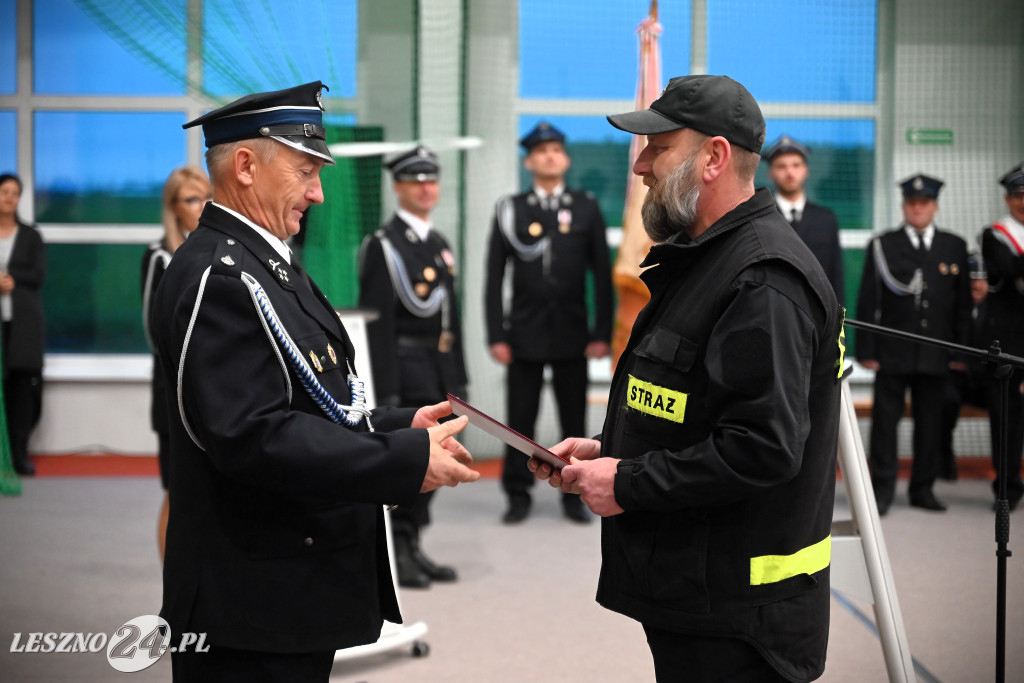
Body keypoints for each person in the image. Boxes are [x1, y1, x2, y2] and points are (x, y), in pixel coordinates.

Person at [151, 82, 479, 682]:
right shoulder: (221, 275)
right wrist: (401, 458)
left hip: (288, 588)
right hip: (252, 600)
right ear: (246, 166)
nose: (318, 193)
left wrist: (398, 423)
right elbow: (253, 436)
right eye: (305, 171)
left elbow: (312, 398)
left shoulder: (266, 259)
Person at [531, 75, 845, 682]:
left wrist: (629, 480)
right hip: (696, 592)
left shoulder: (763, 280)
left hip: (739, 617)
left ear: (715, 157)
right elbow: (694, 409)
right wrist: (611, 453)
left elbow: (762, 448)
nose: (642, 165)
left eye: (659, 147)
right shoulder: (704, 258)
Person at [484, 121, 613, 524]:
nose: (549, 156)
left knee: (574, 417)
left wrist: (601, 333)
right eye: (540, 151)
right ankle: (517, 494)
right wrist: (496, 334)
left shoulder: (586, 206)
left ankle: (574, 494)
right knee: (520, 418)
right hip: (523, 332)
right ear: (529, 162)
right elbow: (493, 276)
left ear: (566, 159)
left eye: (556, 150)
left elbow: (601, 276)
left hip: (573, 333)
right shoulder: (511, 209)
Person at [358, 146, 467, 588]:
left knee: (435, 460)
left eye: (431, 179)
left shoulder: (438, 244)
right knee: (408, 463)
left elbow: (450, 317)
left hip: (437, 367)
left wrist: (457, 377)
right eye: (415, 180)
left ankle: (415, 543)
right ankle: (397, 548)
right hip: (404, 370)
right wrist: (385, 392)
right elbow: (377, 323)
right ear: (398, 187)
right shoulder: (383, 246)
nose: (426, 187)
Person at [855, 174, 971, 515]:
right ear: (904, 206)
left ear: (934, 207)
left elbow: (962, 305)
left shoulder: (955, 246)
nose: (918, 209)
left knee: (930, 424)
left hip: (936, 355)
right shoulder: (883, 244)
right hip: (892, 353)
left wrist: (960, 352)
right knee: (884, 426)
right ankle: (882, 491)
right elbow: (867, 301)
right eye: (911, 203)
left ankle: (923, 489)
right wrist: (867, 350)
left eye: (924, 204)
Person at [142, 165, 212, 561]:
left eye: (205, 197)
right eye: (191, 199)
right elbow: (154, 332)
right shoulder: (159, 258)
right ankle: (173, 580)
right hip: (174, 391)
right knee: (176, 489)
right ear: (174, 207)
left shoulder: (215, 252)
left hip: (212, 394)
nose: (200, 206)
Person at [980, 161, 1024, 511]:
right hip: (1009, 344)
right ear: (1007, 200)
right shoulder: (994, 234)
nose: (1022, 202)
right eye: (1017, 196)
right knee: (1006, 420)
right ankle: (1007, 487)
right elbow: (1005, 270)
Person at [0, 173, 46, 477]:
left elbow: (39, 276)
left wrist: (13, 281)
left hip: (21, 327)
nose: (9, 198)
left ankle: (18, 452)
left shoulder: (30, 235)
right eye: (4, 192)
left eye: (15, 193)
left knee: (20, 390)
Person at [763, 134, 845, 304]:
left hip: (817, 315)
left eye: (796, 165)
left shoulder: (825, 219)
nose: (790, 172)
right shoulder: (761, 218)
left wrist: (838, 326)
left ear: (805, 171)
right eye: (781, 166)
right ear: (771, 173)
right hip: (773, 313)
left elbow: (835, 275)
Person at [938, 253, 989, 481]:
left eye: (982, 279)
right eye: (972, 279)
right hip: (958, 381)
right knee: (944, 400)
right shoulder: (952, 308)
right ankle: (943, 460)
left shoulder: (1000, 310)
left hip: (990, 381)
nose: (976, 284)